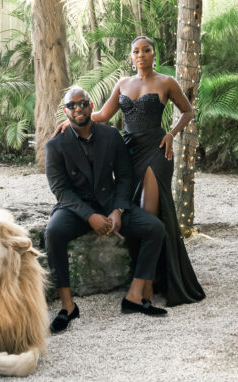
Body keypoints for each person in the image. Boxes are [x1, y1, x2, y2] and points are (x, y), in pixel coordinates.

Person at [54, 36, 206, 306]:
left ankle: (145, 287)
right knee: (134, 209)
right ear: (131, 56)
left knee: (148, 214)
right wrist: (71, 122)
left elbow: (188, 112)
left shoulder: (166, 82)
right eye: (136, 51)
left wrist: (171, 134)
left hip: (157, 150)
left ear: (154, 54)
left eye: (146, 50)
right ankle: (148, 279)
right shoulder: (123, 83)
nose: (141, 55)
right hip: (129, 152)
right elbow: (102, 115)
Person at [44, 86, 169, 333]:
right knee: (53, 232)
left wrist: (118, 210)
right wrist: (90, 216)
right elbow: (60, 190)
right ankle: (67, 306)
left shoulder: (111, 136)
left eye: (83, 103)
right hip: (75, 208)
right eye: (71, 105)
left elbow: (124, 177)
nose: (78, 109)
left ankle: (134, 296)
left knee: (155, 228)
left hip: (111, 203)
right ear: (65, 111)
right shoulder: (55, 145)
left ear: (91, 106)